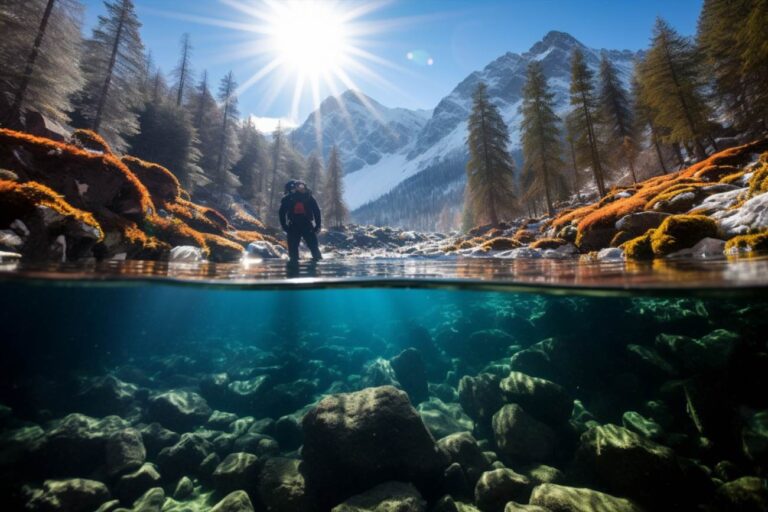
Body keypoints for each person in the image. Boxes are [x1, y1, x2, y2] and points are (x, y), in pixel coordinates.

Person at [279, 179, 322, 264]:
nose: (300, 189)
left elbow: (281, 213)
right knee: (314, 251)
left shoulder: (288, 198)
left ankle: (293, 271)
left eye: (301, 187)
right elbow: (316, 211)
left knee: (294, 254)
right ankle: (314, 269)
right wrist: (317, 225)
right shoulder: (308, 197)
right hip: (304, 226)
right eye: (298, 187)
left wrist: (284, 226)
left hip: (295, 226)